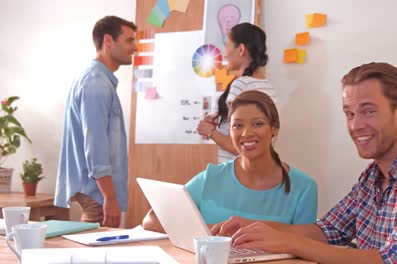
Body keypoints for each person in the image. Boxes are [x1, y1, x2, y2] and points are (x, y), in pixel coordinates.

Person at [216, 62, 397, 263]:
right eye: (349, 113)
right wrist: (254, 226)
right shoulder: (372, 177)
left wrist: (287, 242)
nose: (356, 125)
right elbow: (327, 230)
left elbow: (396, 259)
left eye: (368, 111)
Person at [143, 90, 318, 231]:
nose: (246, 133)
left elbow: (307, 245)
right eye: (237, 125)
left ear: (274, 128)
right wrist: (217, 233)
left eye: (257, 124)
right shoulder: (211, 178)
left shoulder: (304, 188)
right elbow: (151, 220)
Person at [54, 16, 138, 227]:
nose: (134, 47)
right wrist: (109, 197)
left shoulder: (99, 80)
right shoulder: (96, 84)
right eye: (129, 40)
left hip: (99, 193)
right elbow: (95, 145)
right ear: (108, 41)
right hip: (98, 195)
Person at [197, 22, 276, 163]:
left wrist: (209, 131)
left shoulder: (241, 85)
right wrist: (220, 120)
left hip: (238, 173)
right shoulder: (266, 86)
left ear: (241, 49)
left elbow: (237, 145)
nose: (225, 54)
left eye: (227, 45)